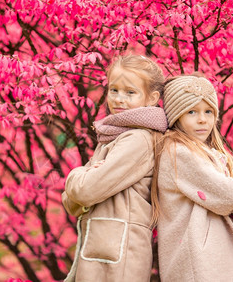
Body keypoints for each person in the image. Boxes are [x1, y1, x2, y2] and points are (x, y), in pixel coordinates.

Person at [62, 55, 168, 282]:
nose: (119, 99)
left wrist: (78, 174)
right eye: (114, 90)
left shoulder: (138, 139)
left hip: (120, 253)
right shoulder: (113, 136)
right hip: (103, 248)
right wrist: (83, 185)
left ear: (152, 98)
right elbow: (71, 203)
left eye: (130, 92)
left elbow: (83, 192)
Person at [151, 74, 233, 281]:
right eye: (191, 111)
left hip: (213, 258)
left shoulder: (206, 153)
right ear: (176, 116)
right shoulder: (178, 153)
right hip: (198, 264)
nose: (202, 119)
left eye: (208, 111)